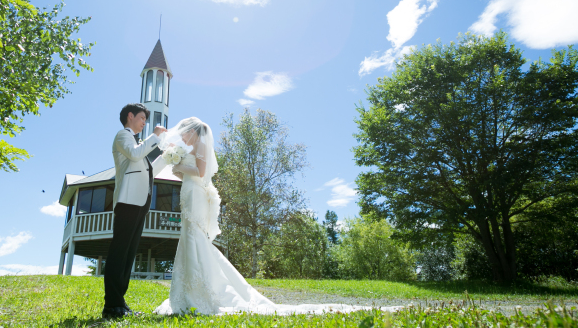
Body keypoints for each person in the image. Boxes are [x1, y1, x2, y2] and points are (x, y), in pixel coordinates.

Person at [154, 117, 398, 316]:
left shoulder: (202, 146)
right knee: (189, 237)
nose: (182, 136)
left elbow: (200, 171)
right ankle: (186, 292)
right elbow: (187, 171)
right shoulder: (188, 147)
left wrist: (177, 167)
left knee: (195, 237)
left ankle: (201, 291)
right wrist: (176, 164)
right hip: (188, 193)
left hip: (196, 195)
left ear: (194, 133)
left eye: (185, 132)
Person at [103, 103, 167, 319]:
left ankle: (119, 303)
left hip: (140, 202)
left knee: (129, 255)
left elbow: (149, 172)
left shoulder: (140, 144)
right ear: (130, 116)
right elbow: (134, 154)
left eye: (146, 121)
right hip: (127, 201)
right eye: (141, 118)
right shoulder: (123, 136)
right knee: (119, 252)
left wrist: (168, 156)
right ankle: (111, 305)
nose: (144, 123)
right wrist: (155, 137)